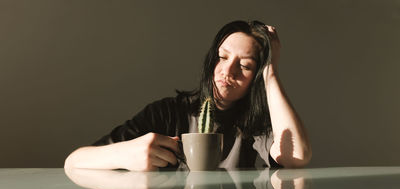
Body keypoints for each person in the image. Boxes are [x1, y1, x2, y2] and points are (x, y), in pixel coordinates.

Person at [64, 20, 312, 171]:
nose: (228, 70)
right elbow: (74, 161)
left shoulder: (256, 124)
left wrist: (271, 71)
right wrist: (126, 154)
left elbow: (297, 157)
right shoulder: (168, 112)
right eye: (223, 57)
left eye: (246, 66)